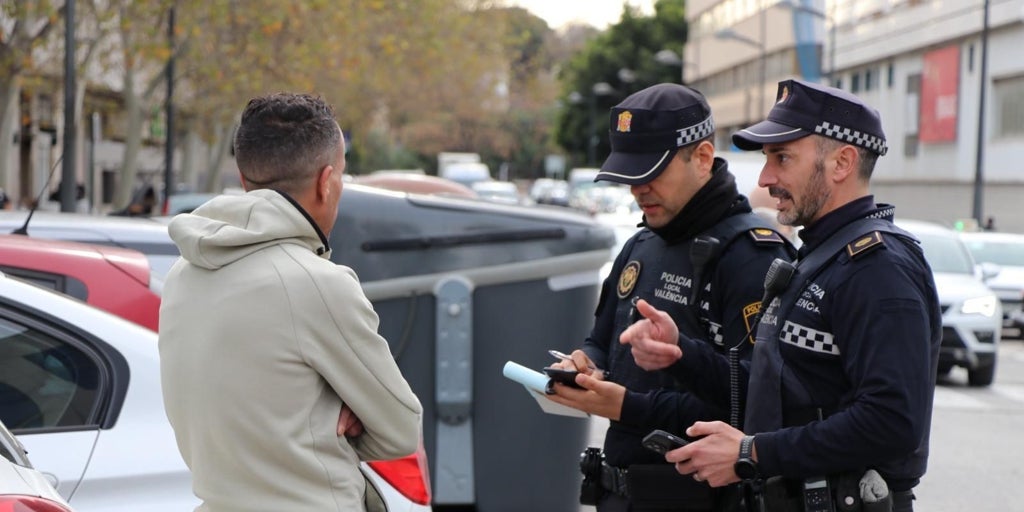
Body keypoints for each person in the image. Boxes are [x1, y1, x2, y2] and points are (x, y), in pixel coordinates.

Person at [620, 79, 941, 512]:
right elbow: (771, 393)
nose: (766, 178)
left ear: (842, 162)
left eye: (782, 157)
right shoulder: (823, 255)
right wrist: (681, 354)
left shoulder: (877, 268)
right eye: (767, 159)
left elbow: (892, 422)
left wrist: (751, 453)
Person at [158, 93, 423, 512]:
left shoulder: (182, 275)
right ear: (326, 182)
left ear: (244, 180)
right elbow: (402, 429)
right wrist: (339, 417)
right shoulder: (318, 284)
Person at [545, 83, 796, 512]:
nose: (638, 189)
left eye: (651, 173)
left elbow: (759, 401)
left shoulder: (752, 255)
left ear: (702, 157)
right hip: (617, 494)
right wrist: (584, 366)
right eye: (629, 176)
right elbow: (601, 342)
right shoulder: (640, 244)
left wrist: (630, 407)